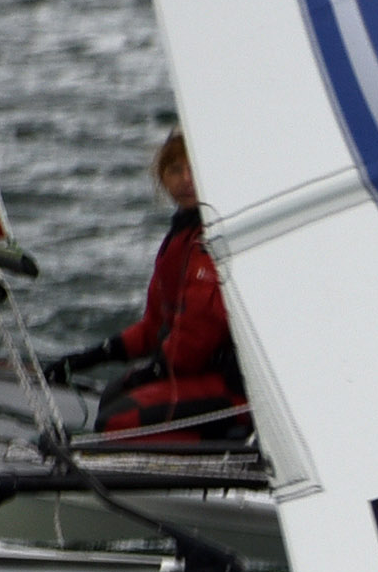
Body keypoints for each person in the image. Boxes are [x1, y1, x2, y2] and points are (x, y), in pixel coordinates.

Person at [43, 129, 242, 437]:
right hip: (196, 376)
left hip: (233, 389)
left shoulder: (210, 240)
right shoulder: (180, 238)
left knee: (118, 421)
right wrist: (90, 357)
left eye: (194, 168)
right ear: (162, 178)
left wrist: (157, 371)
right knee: (112, 396)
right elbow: (155, 326)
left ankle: (226, 445)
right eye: (175, 170)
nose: (186, 179)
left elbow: (199, 331)